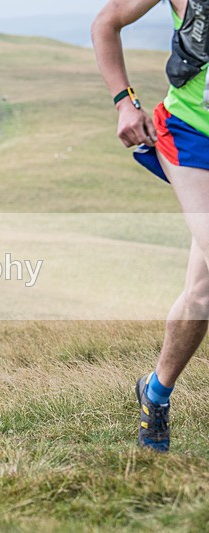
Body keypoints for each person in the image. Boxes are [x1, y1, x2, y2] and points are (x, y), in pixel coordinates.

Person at [93, 0, 209, 452]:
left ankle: (155, 392)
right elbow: (107, 21)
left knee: (200, 295)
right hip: (190, 137)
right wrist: (126, 103)